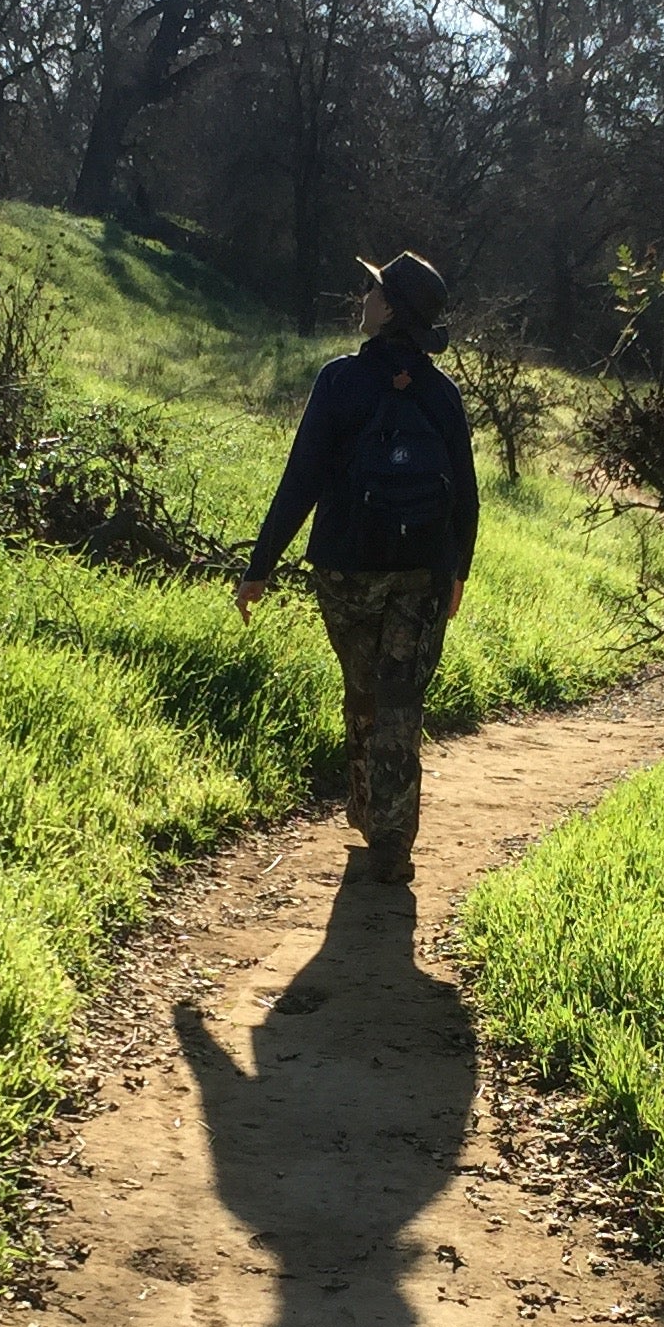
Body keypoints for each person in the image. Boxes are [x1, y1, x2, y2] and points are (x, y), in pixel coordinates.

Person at [233, 251, 480, 886]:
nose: (364, 298)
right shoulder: (442, 393)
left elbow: (301, 480)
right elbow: (466, 495)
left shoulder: (340, 381)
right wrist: (458, 573)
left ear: (391, 308)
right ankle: (391, 839)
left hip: (345, 569)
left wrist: (261, 566)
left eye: (373, 291)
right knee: (402, 699)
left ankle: (373, 811)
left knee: (366, 688)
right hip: (422, 571)